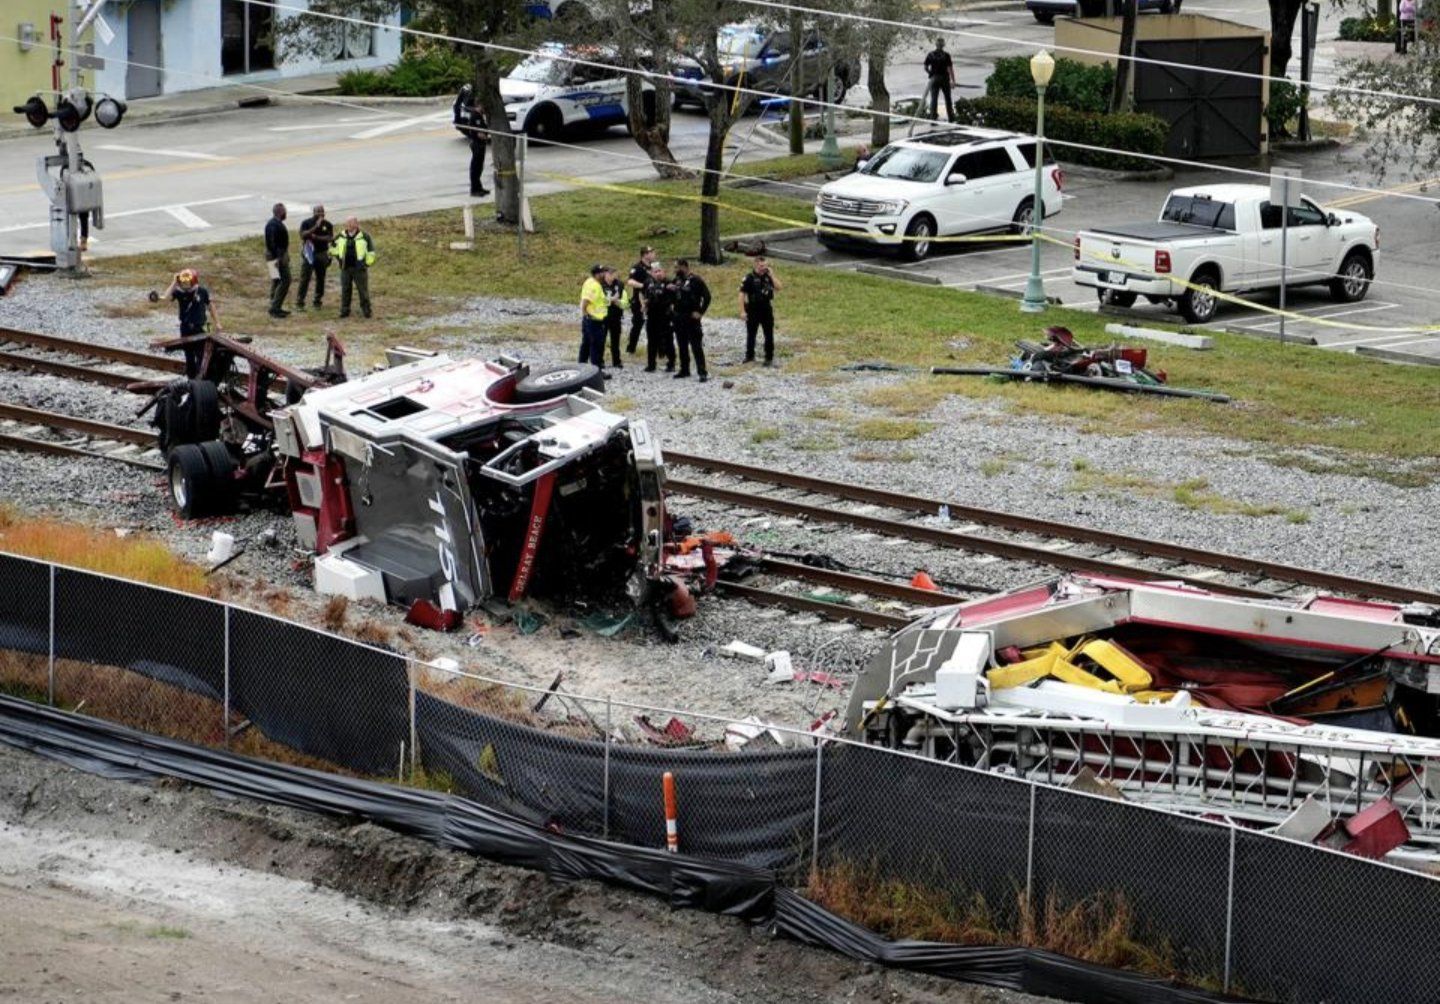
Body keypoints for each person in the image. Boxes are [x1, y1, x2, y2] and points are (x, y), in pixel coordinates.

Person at [163, 268, 220, 378]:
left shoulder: (202, 291)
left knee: (203, 353)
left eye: (187, 282)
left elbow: (211, 307)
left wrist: (217, 323)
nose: (185, 284)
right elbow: (165, 297)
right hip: (186, 327)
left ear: (193, 280)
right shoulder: (179, 293)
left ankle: (202, 377)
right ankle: (192, 379)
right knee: (189, 355)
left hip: (202, 326)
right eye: (183, 282)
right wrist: (174, 282)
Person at [671, 259, 711, 383]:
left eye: (677, 267)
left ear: (685, 267)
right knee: (681, 344)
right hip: (678, 316)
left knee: (696, 346)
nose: (676, 270)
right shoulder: (676, 280)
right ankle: (684, 369)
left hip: (691, 317)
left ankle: (702, 371)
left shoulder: (696, 280)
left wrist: (700, 312)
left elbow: (707, 297)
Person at [329, 216, 376, 319]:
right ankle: (344, 311)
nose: (349, 225)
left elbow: (371, 252)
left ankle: (366, 311)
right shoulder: (341, 236)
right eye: (347, 223)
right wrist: (339, 258)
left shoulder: (364, 236)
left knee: (363, 290)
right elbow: (332, 248)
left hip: (359, 269)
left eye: (351, 223)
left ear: (356, 224)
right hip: (345, 268)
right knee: (345, 290)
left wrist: (366, 264)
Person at [739, 255, 781, 366]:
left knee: (768, 333)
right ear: (756, 265)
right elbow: (742, 294)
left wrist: (772, 275)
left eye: (765, 265)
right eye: (762, 265)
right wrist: (742, 311)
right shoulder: (749, 278)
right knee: (751, 333)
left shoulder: (768, 277)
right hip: (753, 308)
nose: (764, 267)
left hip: (766, 308)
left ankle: (769, 357)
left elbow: (779, 287)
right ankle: (749, 356)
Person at [295, 204, 334, 311]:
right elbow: (303, 235)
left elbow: (330, 238)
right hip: (309, 253)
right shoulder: (306, 223)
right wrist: (315, 227)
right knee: (305, 278)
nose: (321, 214)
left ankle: (317, 301)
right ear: (313, 212)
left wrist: (316, 237)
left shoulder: (328, 224)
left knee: (321, 278)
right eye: (318, 212)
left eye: (322, 212)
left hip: (322, 253)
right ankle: (300, 302)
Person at [456, 85, 492, 197]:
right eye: (483, 106)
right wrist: (488, 137)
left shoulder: (480, 116)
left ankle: (479, 187)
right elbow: (480, 134)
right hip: (477, 144)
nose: (485, 108)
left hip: (481, 145)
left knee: (479, 168)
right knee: (475, 168)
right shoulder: (475, 116)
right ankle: (474, 189)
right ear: (479, 105)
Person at [642, 261, 677, 373]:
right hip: (652, 316)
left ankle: (671, 363)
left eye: (659, 271)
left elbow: (674, 299)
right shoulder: (648, 283)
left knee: (668, 341)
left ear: (663, 271)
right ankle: (651, 364)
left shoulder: (669, 283)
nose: (658, 274)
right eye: (655, 272)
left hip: (665, 315)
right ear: (651, 273)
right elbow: (643, 295)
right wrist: (644, 304)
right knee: (651, 340)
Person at [578, 264, 611, 370]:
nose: (605, 274)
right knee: (596, 346)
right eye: (603, 272)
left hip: (590, 319)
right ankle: (596, 372)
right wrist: (585, 314)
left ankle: (581, 367)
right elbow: (585, 301)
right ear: (597, 274)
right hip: (594, 320)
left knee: (586, 344)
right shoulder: (594, 285)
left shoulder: (590, 281)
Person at [625, 245, 656, 355]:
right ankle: (631, 349)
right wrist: (643, 286)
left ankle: (656, 350)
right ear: (645, 255)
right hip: (639, 301)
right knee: (637, 325)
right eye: (651, 252)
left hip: (652, 300)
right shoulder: (637, 267)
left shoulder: (654, 268)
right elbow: (630, 281)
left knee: (655, 326)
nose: (654, 254)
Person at [264, 202, 291, 318]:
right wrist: (279, 258)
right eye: (284, 211)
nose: (286, 213)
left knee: (275, 279)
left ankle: (273, 304)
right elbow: (275, 244)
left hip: (271, 256)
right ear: (281, 212)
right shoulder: (278, 226)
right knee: (285, 280)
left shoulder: (270, 223)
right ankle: (275, 307)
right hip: (277, 257)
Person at [603, 265, 630, 368]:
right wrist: (610, 300)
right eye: (610, 274)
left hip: (616, 316)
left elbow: (625, 303)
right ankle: (600, 362)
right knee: (601, 340)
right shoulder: (600, 285)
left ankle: (617, 361)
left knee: (615, 340)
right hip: (603, 316)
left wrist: (616, 301)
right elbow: (599, 301)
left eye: (614, 274)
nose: (612, 276)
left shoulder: (619, 285)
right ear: (605, 274)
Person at [924, 38, 956, 123]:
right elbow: (950, 69)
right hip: (944, 78)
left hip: (934, 79)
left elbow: (925, 67)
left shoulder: (930, 55)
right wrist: (953, 81)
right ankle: (951, 118)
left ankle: (933, 119)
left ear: (936, 45)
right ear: (943, 45)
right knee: (948, 99)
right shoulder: (946, 55)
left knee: (934, 99)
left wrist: (930, 73)